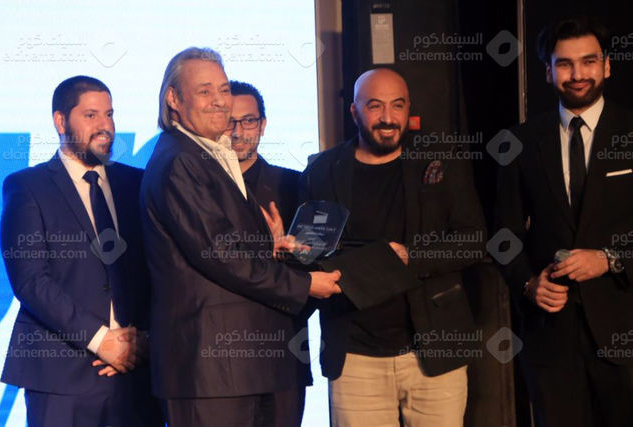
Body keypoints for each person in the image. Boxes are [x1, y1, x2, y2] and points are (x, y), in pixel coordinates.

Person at [140, 47, 341, 427]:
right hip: (213, 373)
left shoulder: (209, 155)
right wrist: (304, 284)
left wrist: (268, 245)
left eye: (223, 89)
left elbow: (217, 243)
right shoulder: (181, 160)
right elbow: (220, 253)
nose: (219, 100)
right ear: (173, 99)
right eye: (204, 91)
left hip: (249, 368)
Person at [299, 67, 486, 426]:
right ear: (354, 111)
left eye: (397, 105)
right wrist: (292, 247)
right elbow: (312, 253)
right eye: (375, 106)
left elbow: (473, 240)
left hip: (435, 351)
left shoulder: (440, 159)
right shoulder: (321, 170)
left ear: (408, 108)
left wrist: (411, 256)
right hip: (355, 357)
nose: (387, 117)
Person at [0, 76, 162, 427]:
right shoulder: (27, 186)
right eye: (91, 115)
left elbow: (161, 269)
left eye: (109, 114)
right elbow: (30, 281)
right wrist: (102, 341)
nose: (105, 126)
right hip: (60, 380)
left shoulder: (137, 183)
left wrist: (147, 340)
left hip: (137, 373)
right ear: (60, 121)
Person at [494, 15, 633, 426]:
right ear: (548, 71)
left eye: (588, 61)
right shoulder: (520, 141)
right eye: (565, 64)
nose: (577, 74)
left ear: (607, 65)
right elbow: (503, 235)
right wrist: (527, 283)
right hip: (550, 339)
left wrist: (609, 258)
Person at [224, 80, 311, 426]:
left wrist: (284, 256)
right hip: (217, 360)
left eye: (248, 121)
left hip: (282, 355)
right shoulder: (198, 188)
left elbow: (316, 272)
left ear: (262, 124)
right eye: (229, 121)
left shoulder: (295, 185)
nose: (238, 132)